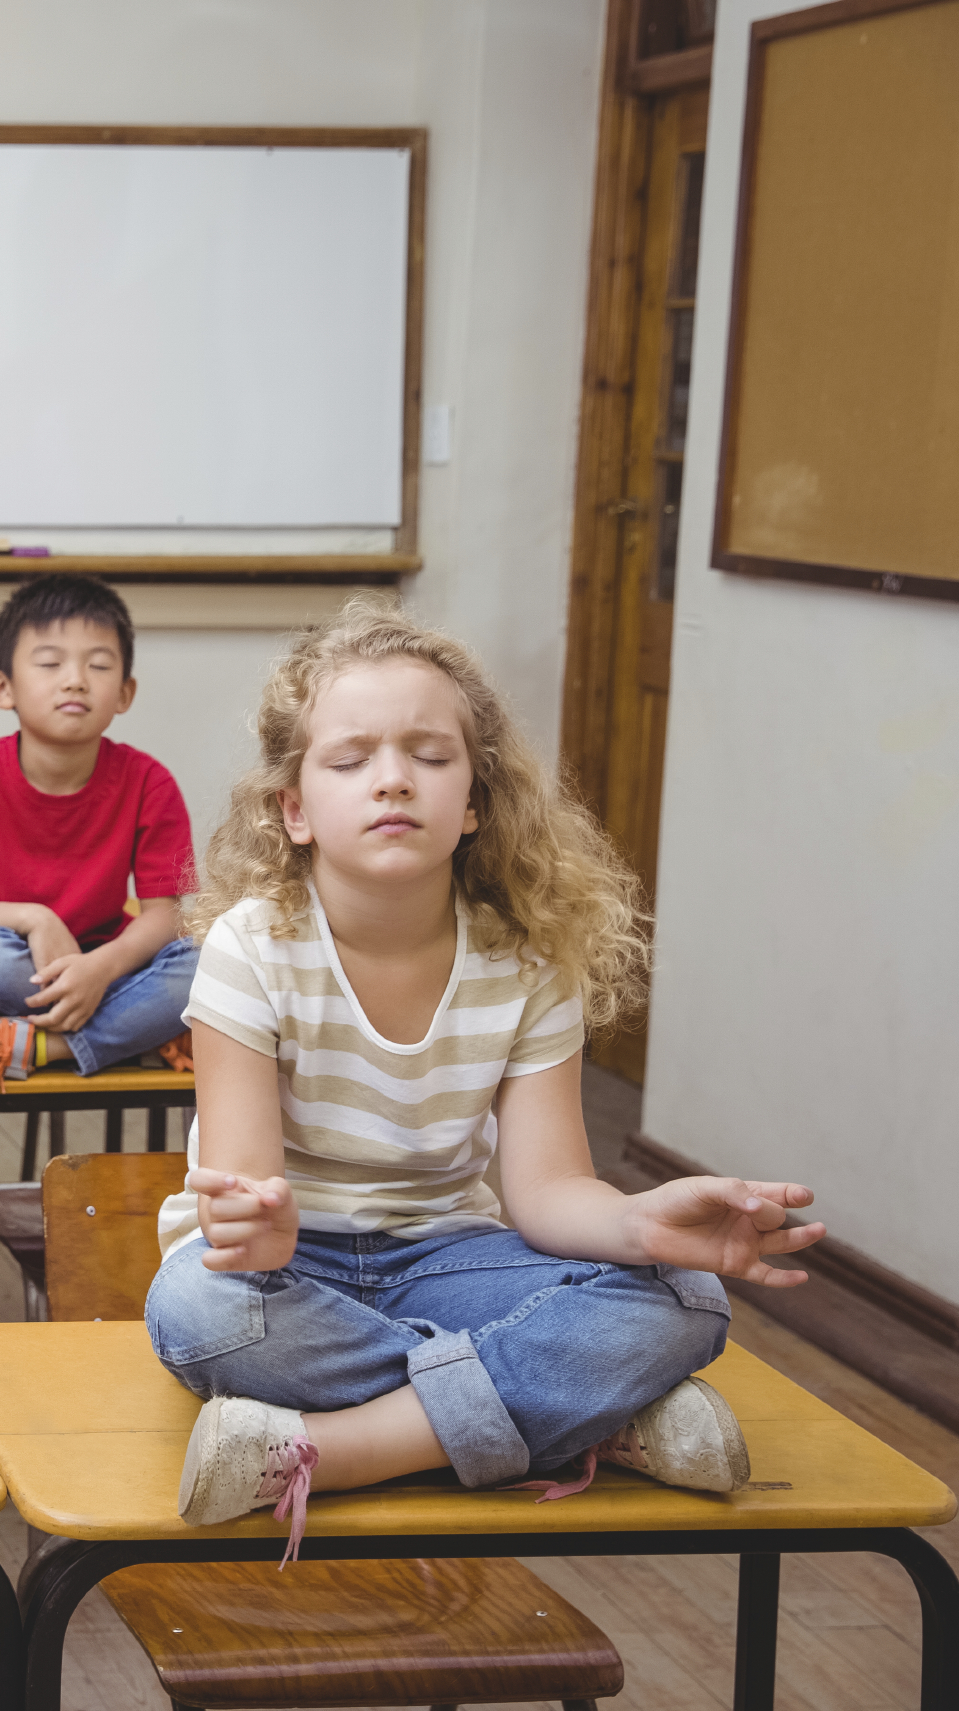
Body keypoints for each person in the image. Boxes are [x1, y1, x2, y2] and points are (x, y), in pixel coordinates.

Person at [151, 597, 820, 1558]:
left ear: (472, 804)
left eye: (429, 757)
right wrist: (259, 1225)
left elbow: (544, 1194)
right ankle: (586, 1419)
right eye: (350, 761)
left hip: (447, 1258)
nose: (392, 780)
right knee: (196, 1313)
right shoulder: (248, 950)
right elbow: (246, 1207)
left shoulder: (530, 960)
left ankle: (330, 1450)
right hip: (283, 1276)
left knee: (686, 1297)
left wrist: (640, 1223)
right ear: (293, 810)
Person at [0, 575, 196, 1083]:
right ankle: (137, 1030)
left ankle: (41, 1046)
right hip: (15, 966)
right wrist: (34, 919)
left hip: (107, 961)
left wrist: (101, 969)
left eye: (99, 665)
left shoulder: (151, 781)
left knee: (205, 963)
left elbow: (164, 917)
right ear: (3, 689)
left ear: (125, 693)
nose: (76, 680)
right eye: (49, 663)